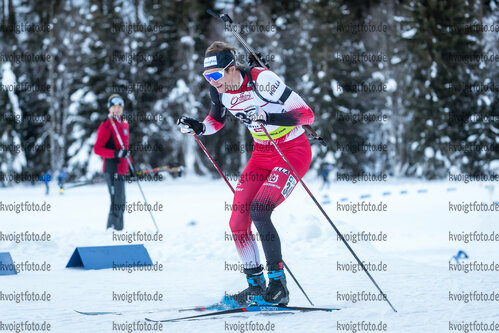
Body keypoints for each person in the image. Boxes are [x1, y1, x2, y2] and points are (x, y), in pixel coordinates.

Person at [178, 41, 315, 306]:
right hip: (261, 154)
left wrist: (266, 117)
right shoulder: (219, 89)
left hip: (292, 151)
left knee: (260, 210)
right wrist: (198, 127)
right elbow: (216, 121)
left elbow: (307, 114)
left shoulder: (262, 80)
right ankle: (255, 286)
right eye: (207, 76)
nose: (213, 81)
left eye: (216, 75)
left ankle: (278, 286)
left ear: (231, 68)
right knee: (237, 223)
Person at [93, 94, 130, 231]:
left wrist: (129, 164)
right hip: (111, 168)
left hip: (121, 169)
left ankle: (118, 231)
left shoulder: (124, 124)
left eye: (119, 106)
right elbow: (97, 149)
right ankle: (112, 231)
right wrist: (115, 153)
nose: (117, 109)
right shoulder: (106, 125)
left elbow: (125, 148)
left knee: (121, 202)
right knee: (116, 202)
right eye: (114, 106)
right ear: (109, 108)